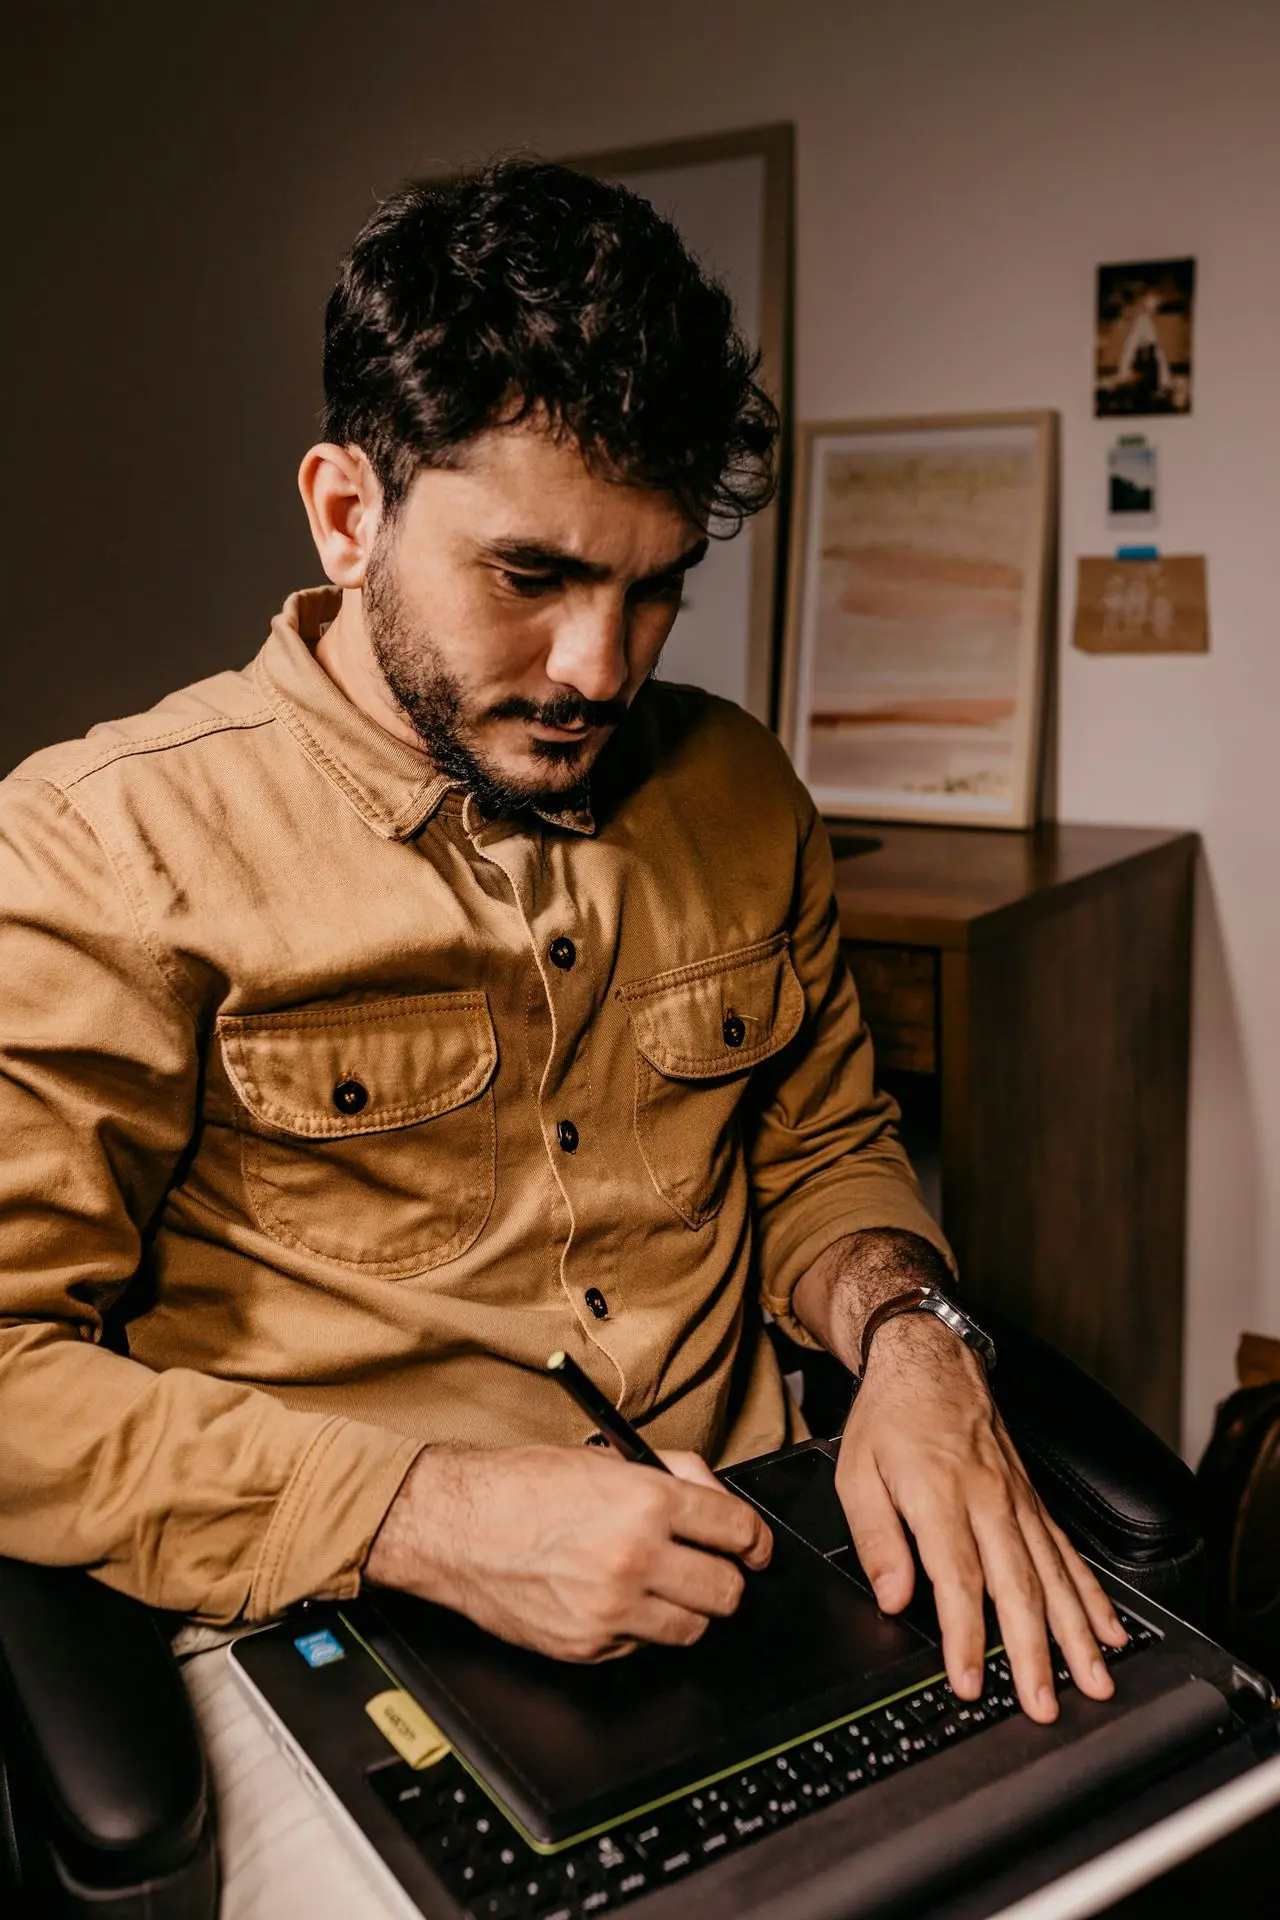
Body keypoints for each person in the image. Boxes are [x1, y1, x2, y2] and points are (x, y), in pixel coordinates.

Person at [0, 159, 1123, 1911]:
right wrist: (425, 1514)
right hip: (336, 1642)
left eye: (657, 585)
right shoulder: (99, 851)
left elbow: (822, 1147)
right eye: (529, 574)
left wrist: (912, 1334)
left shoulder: (738, 784)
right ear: (345, 511)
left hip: (781, 1570)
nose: (601, 667)